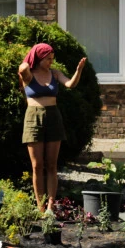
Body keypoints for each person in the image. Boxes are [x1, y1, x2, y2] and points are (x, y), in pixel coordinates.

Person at [17, 43, 86, 212]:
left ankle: (50, 206)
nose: (51, 62)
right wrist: (31, 56)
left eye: (52, 59)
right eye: (48, 59)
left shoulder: (54, 73)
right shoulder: (29, 75)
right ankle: (40, 206)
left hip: (53, 117)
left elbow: (70, 84)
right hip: (33, 118)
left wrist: (78, 71)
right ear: (39, 58)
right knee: (37, 165)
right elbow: (22, 68)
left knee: (52, 165)